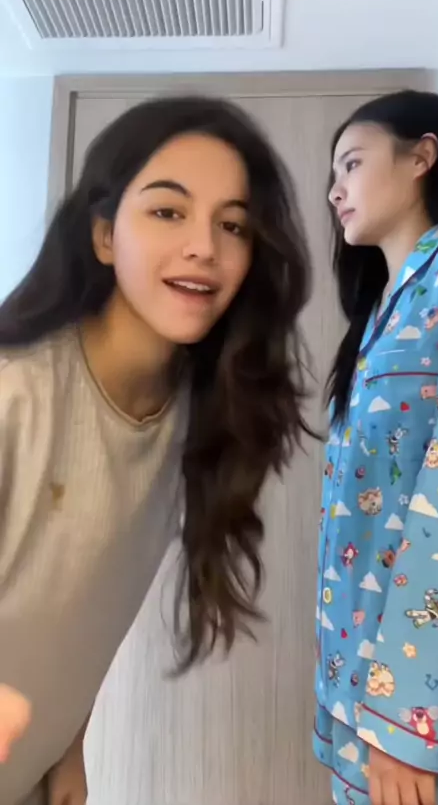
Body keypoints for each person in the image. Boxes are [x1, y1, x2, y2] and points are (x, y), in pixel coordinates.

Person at [0, 95, 313, 804]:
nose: (205, 246)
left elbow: (79, 608)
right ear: (104, 236)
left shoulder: (194, 418)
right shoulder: (16, 394)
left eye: (232, 224)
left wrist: (67, 743)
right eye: (169, 211)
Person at [314, 89, 438, 805]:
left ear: (422, 156)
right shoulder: (379, 314)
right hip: (357, 690)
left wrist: (411, 718)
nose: (335, 190)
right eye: (333, 176)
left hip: (426, 713)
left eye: (351, 163)